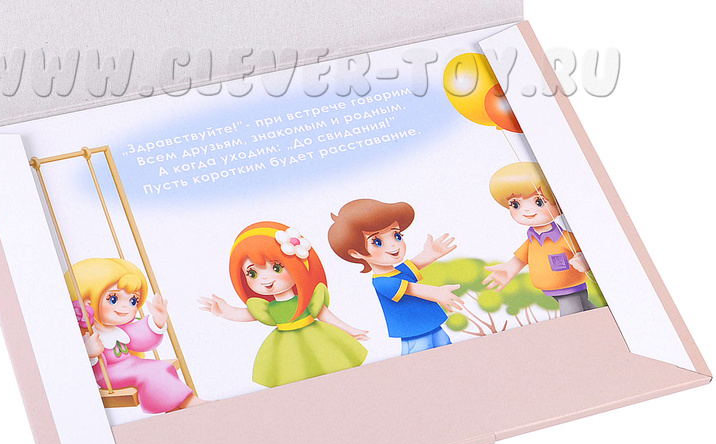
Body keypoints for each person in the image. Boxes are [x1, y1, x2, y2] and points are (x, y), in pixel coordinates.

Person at [199, 222, 368, 387]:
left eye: (277, 268)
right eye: (252, 273)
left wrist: (349, 330)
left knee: (329, 370)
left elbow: (324, 313)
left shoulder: (308, 300)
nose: (265, 278)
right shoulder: (267, 308)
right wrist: (225, 311)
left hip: (317, 340)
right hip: (286, 349)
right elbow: (247, 314)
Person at [327, 199, 463, 355]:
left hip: (431, 324)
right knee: (422, 361)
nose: (393, 245)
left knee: (448, 350)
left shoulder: (398, 272)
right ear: (356, 253)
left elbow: (415, 263)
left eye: (397, 235)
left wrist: (431, 254)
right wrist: (436, 293)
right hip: (414, 332)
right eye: (377, 242)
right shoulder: (383, 282)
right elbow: (412, 289)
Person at [67, 256, 202, 412]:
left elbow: (140, 336)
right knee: (150, 372)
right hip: (109, 375)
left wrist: (157, 321)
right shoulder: (91, 336)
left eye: (133, 301)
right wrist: (91, 354)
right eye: (113, 298)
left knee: (163, 367)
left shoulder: (120, 330)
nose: (126, 307)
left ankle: (176, 408)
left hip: (131, 364)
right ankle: (190, 402)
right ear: (87, 303)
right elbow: (84, 369)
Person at [482, 162, 595, 315]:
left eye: (539, 202)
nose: (527, 210)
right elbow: (521, 259)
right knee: (587, 309)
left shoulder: (565, 238)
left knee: (572, 318)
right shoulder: (532, 240)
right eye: (515, 204)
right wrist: (509, 269)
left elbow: (589, 252)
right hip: (552, 290)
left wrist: (585, 262)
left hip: (569, 288)